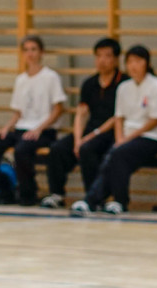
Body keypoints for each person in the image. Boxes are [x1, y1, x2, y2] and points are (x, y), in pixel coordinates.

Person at [71, 45, 157, 215]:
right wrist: (119, 139)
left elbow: (156, 119)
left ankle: (118, 200)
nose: (133, 65)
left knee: (118, 155)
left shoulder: (156, 86)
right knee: (111, 157)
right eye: (130, 61)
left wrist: (128, 138)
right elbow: (119, 117)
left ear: (147, 63)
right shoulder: (124, 87)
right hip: (126, 137)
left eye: (138, 61)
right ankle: (95, 200)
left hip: (151, 137)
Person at [0, 35, 66, 206]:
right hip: (21, 129)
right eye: (26, 50)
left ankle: (28, 194)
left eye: (33, 49)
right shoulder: (21, 80)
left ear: (41, 52)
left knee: (21, 150)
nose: (30, 53)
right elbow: (18, 113)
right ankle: (4, 189)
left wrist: (39, 128)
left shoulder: (51, 77)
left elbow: (58, 109)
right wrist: (4, 129)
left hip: (44, 131)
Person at [41, 38, 126, 209]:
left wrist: (89, 138)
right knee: (58, 149)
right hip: (89, 131)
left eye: (107, 56)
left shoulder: (124, 83)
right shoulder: (89, 83)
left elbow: (118, 116)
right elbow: (81, 113)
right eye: (98, 56)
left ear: (116, 59)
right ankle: (56, 194)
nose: (102, 60)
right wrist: (78, 139)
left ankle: (93, 198)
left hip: (110, 132)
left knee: (88, 149)